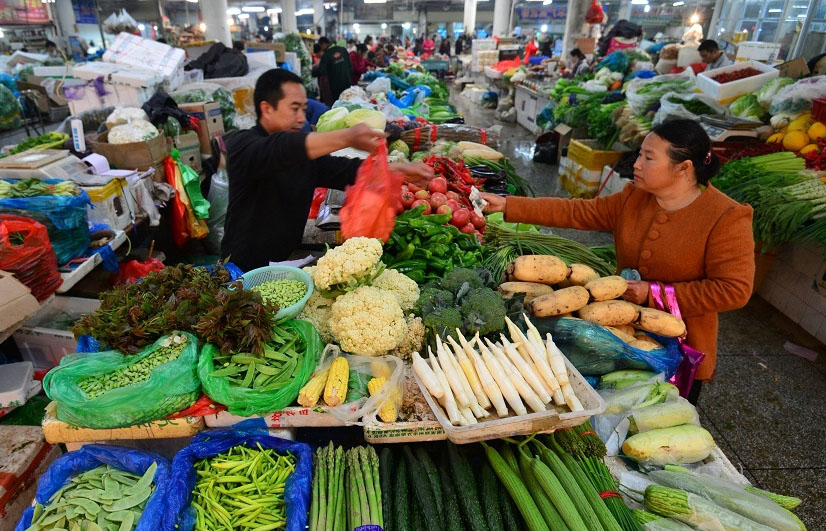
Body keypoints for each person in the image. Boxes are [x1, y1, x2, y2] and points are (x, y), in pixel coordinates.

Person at [480, 119, 755, 403]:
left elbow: (734, 290)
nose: (636, 164)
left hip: (682, 347)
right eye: (640, 154)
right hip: (617, 331)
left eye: (648, 158)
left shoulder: (727, 217)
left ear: (684, 167)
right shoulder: (634, 197)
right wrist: (508, 205)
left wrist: (654, 293)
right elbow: (578, 212)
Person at [221, 69, 433, 271]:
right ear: (267, 109)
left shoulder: (307, 159)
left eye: (304, 109)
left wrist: (401, 169)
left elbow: (347, 170)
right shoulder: (243, 145)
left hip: (286, 264)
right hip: (241, 271)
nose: (302, 118)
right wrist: (348, 136)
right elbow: (281, 149)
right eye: (294, 109)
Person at [314, 36, 352, 106]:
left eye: (321, 46)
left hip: (335, 86)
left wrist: (311, 72)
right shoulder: (343, 50)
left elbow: (320, 71)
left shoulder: (326, 55)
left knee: (338, 106)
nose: (321, 49)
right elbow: (350, 66)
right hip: (347, 83)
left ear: (323, 44)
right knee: (348, 102)